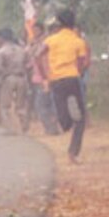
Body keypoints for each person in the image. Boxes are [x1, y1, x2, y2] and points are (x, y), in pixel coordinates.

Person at [39, 8, 90, 164]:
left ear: (58, 23)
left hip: (56, 80)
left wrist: (45, 75)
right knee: (81, 119)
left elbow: (38, 55)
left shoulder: (50, 40)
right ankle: (72, 153)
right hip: (73, 78)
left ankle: (65, 122)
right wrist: (79, 72)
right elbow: (84, 61)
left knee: (63, 117)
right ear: (73, 23)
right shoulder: (78, 41)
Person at [0, 28, 28, 135]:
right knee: (20, 105)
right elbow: (27, 64)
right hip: (21, 78)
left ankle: (9, 129)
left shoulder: (1, 51)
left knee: (4, 106)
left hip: (8, 79)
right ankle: (24, 125)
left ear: (2, 38)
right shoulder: (21, 50)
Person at [27, 22, 60, 135]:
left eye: (37, 30)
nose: (35, 33)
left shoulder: (46, 43)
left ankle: (51, 128)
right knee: (47, 104)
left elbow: (41, 60)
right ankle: (51, 128)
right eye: (34, 30)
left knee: (43, 104)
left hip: (46, 77)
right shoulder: (34, 43)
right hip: (39, 77)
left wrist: (46, 78)